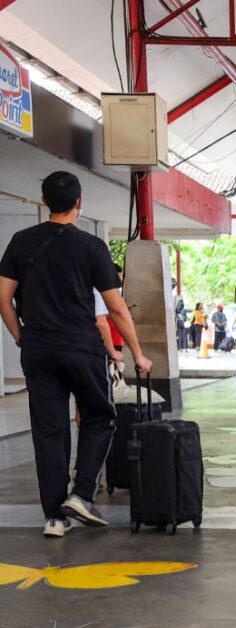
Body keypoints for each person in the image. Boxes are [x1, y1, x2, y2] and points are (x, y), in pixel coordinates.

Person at [0, 171, 153, 537]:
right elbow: (115, 309)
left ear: (44, 201)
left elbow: (4, 299)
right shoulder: (91, 247)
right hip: (81, 348)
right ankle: (82, 493)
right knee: (100, 416)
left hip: (39, 349)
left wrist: (23, 337)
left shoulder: (21, 242)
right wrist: (137, 353)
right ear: (79, 203)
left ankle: (54, 517)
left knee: (49, 432)